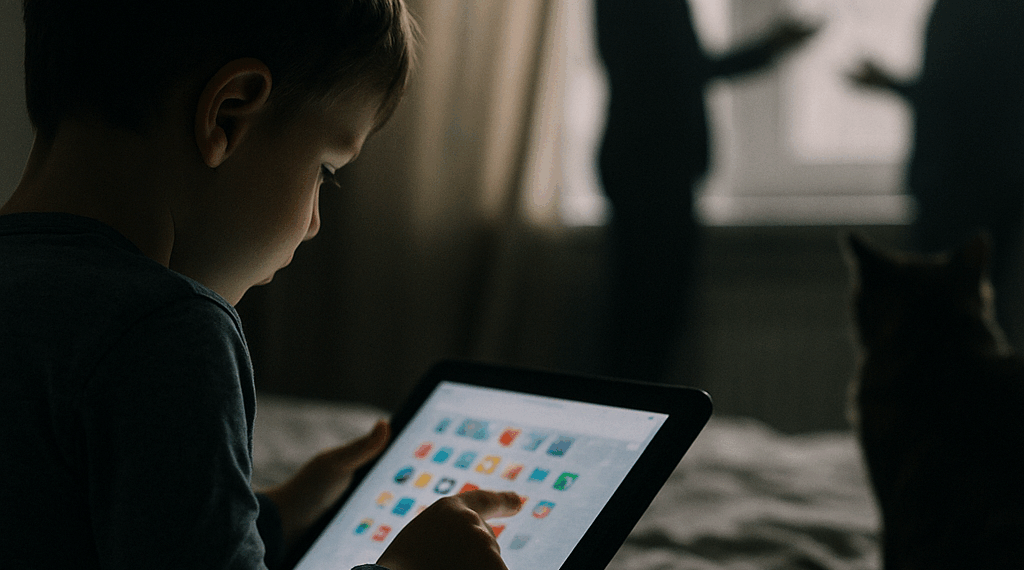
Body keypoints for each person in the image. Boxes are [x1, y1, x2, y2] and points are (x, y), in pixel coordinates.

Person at [0, 1, 521, 569]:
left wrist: (273, 512)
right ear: (228, 114)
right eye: (325, 170)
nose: (317, 221)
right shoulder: (167, 331)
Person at [595, 0, 817, 383]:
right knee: (652, 317)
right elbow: (677, 72)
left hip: (647, 169)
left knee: (646, 316)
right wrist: (768, 47)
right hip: (652, 173)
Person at [848, 0, 1024, 344]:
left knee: (948, 320)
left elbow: (956, 97)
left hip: (958, 187)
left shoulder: (969, 11)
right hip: (983, 185)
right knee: (969, 316)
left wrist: (894, 85)